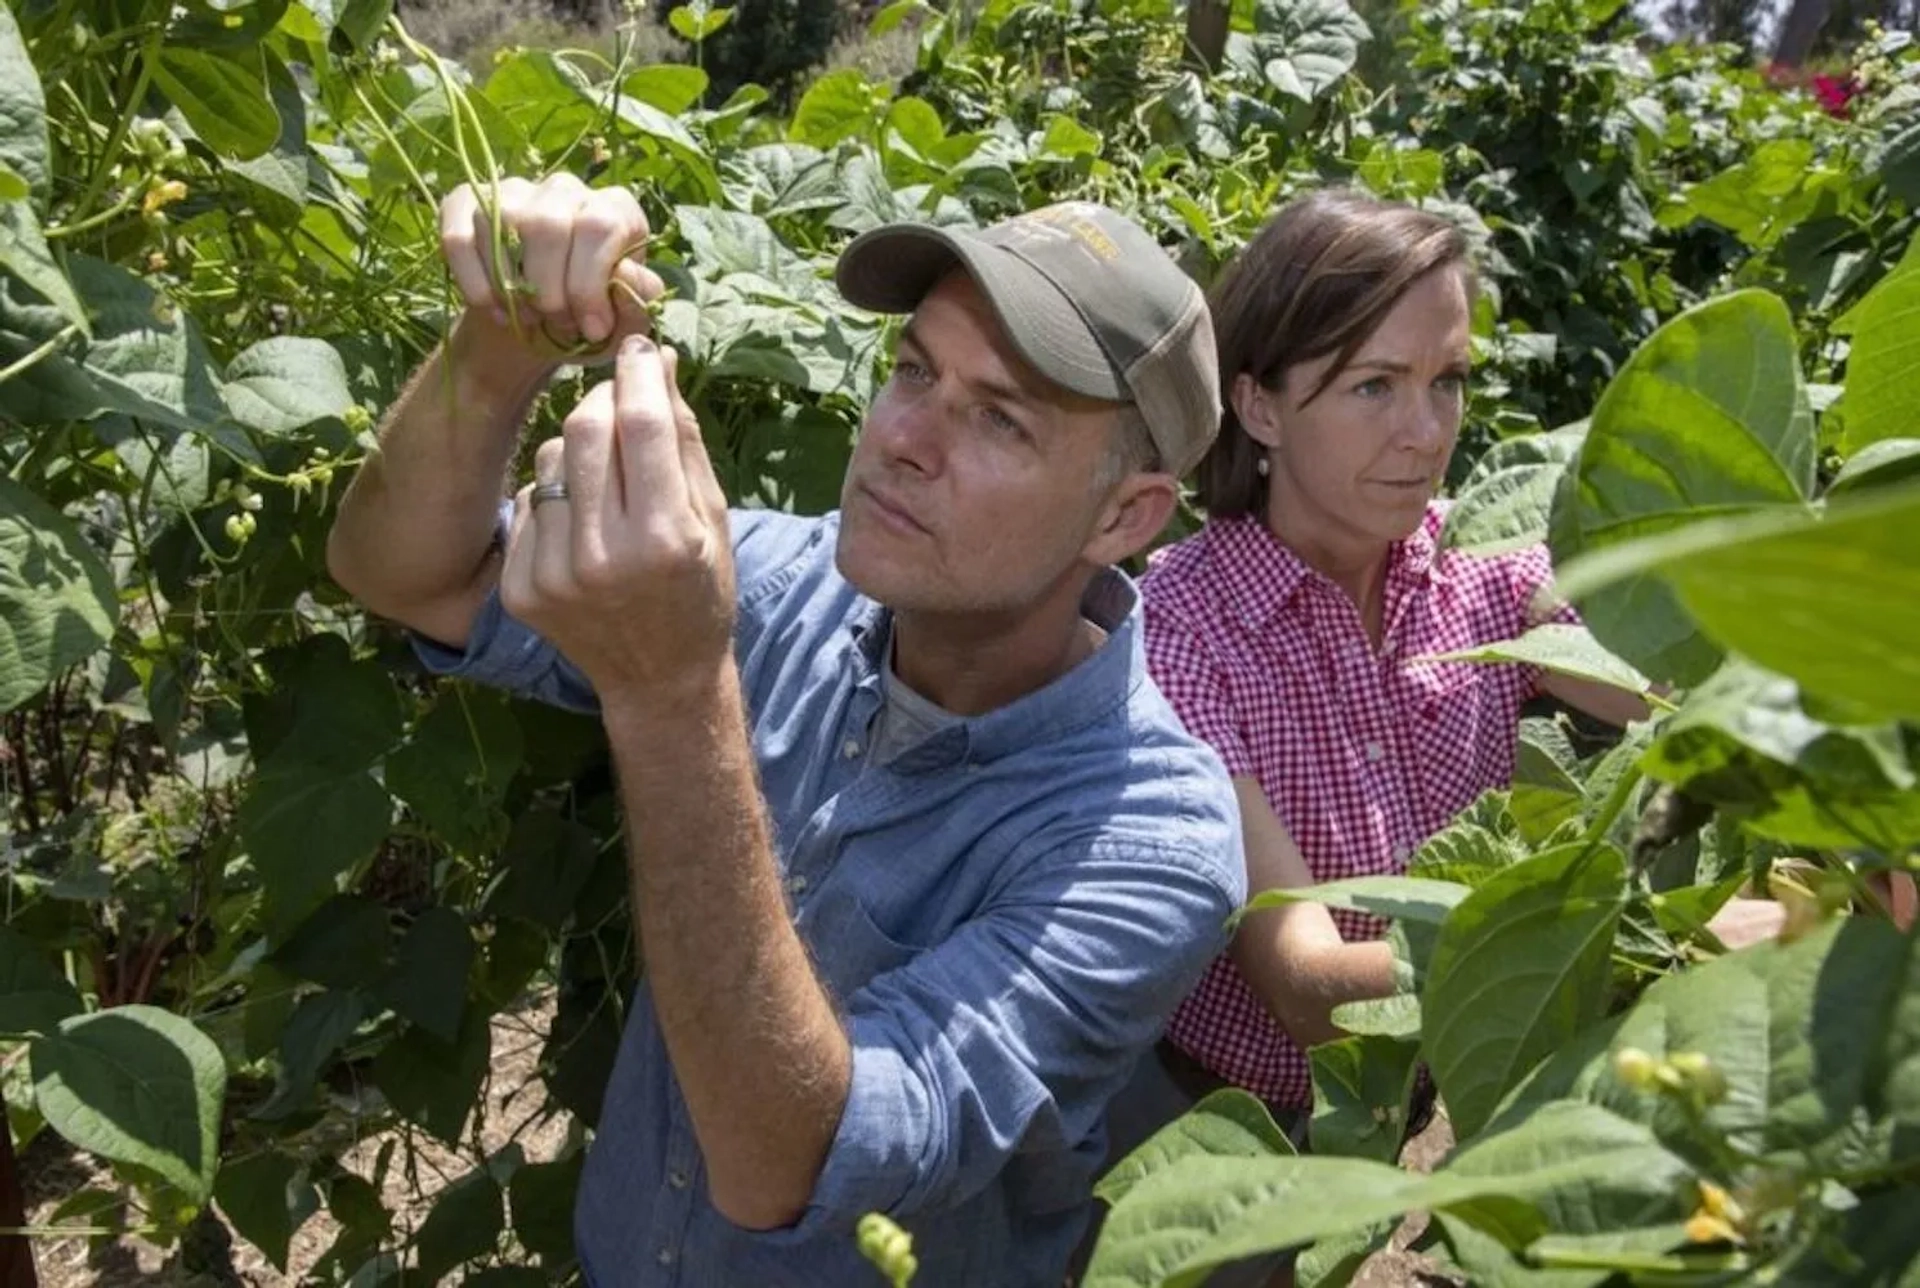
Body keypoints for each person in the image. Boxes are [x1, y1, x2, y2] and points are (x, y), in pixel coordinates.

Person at [324, 174, 1246, 1287]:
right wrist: (501, 343)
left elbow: (798, 1165)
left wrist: (672, 691)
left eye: (999, 416)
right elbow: (402, 574)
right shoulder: (783, 580)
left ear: (1125, 514)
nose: (905, 435)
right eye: (914, 369)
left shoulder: (1150, 840)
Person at [1102, 188, 1787, 1287]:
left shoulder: (1475, 572)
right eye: (1373, 385)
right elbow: (1306, 979)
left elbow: (1666, 687)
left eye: (1447, 380)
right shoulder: (1184, 637)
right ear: (1260, 405)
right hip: (1217, 1114)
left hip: (1399, 1106)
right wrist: (1646, 940)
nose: (1426, 433)